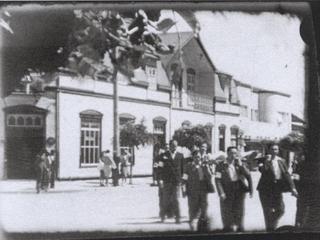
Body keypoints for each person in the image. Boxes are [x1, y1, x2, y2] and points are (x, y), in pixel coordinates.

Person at [257, 143, 298, 231]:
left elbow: (287, 175)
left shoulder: (281, 161)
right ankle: (270, 230)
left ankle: (271, 224)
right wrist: (267, 161)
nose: (274, 151)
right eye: (272, 149)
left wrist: (293, 188)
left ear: (278, 151)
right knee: (267, 210)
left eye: (276, 149)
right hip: (265, 189)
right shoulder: (262, 160)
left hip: (277, 188)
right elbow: (263, 171)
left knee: (281, 209)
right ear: (269, 150)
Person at [215, 146, 253, 232]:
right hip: (226, 190)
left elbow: (248, 175)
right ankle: (228, 228)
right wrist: (221, 192)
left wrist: (241, 165)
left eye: (235, 153)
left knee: (239, 210)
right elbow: (217, 180)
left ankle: (240, 227)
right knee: (226, 210)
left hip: (239, 189)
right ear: (227, 153)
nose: (233, 155)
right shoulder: (220, 165)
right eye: (231, 153)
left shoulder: (240, 163)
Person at [182, 150, 214, 231]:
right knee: (193, 209)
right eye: (196, 157)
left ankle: (203, 226)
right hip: (192, 191)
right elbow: (184, 179)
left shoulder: (204, 166)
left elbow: (210, 177)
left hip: (203, 191)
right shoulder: (188, 166)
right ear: (193, 157)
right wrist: (184, 190)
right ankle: (192, 226)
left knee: (204, 208)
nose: (198, 158)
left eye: (199, 157)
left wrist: (207, 168)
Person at [158, 140, 183, 223]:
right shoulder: (163, 155)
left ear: (177, 146)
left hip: (176, 181)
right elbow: (160, 169)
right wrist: (160, 179)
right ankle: (162, 216)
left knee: (176, 199)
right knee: (165, 199)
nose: (174, 147)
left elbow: (183, 169)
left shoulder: (180, 155)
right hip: (166, 181)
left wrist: (182, 180)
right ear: (170, 146)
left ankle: (178, 217)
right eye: (172, 145)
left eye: (175, 145)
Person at [292, 151, 306, 228]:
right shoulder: (299, 164)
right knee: (301, 209)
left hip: (308, 191)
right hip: (302, 191)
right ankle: (298, 226)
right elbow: (295, 176)